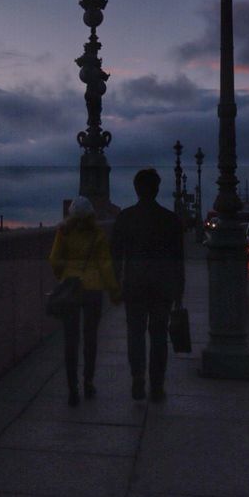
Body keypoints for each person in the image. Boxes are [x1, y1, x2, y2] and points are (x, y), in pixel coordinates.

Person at [111, 169, 185, 402]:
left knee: (135, 334)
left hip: (134, 284)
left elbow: (115, 255)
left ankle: (137, 377)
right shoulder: (170, 219)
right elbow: (178, 259)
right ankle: (157, 385)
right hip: (162, 286)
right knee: (159, 336)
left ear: (136, 189)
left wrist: (116, 282)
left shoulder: (125, 218)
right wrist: (178, 289)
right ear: (157, 189)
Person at [48, 197, 121, 406]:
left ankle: (72, 389)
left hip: (71, 289)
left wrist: (63, 274)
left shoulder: (64, 232)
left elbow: (54, 259)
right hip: (93, 290)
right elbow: (105, 265)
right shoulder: (97, 234)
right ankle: (88, 383)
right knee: (90, 339)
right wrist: (114, 291)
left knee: (70, 341)